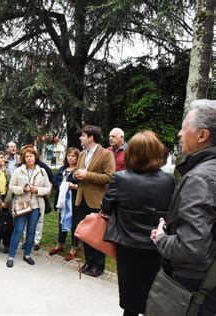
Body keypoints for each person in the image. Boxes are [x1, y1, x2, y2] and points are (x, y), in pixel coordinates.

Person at [151, 100, 216, 315]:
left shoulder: (199, 178)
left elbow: (191, 248)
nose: (179, 133)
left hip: (193, 288)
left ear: (202, 136)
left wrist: (161, 238)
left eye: (184, 127)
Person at [102, 131, 175, 316]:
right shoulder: (169, 180)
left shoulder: (121, 178)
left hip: (128, 245)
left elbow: (106, 206)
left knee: (131, 298)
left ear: (131, 153)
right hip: (157, 244)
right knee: (154, 293)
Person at [74, 125, 115, 277]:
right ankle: (89, 261)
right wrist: (76, 175)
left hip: (97, 201)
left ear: (91, 137)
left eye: (83, 135)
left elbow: (110, 177)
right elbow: (77, 173)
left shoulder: (106, 154)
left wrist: (87, 175)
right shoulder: (82, 154)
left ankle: (99, 265)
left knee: (97, 234)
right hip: (81, 199)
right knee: (85, 233)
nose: (80, 138)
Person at [6, 146, 51, 268]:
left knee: (31, 231)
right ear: (23, 158)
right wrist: (22, 189)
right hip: (22, 204)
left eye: (31, 156)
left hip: (36, 205)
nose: (29, 158)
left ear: (35, 157)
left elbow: (48, 188)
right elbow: (11, 186)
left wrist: (37, 190)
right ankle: (11, 256)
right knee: (18, 229)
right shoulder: (18, 170)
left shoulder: (42, 171)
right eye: (26, 156)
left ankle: (27, 255)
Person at [49, 147, 80, 260]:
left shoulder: (79, 170)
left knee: (74, 224)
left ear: (77, 157)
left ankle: (74, 247)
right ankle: (60, 244)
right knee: (61, 222)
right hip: (62, 200)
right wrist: (62, 185)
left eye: (73, 156)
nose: (70, 158)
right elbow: (55, 181)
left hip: (74, 201)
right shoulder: (62, 169)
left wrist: (74, 186)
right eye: (68, 156)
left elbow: (82, 185)